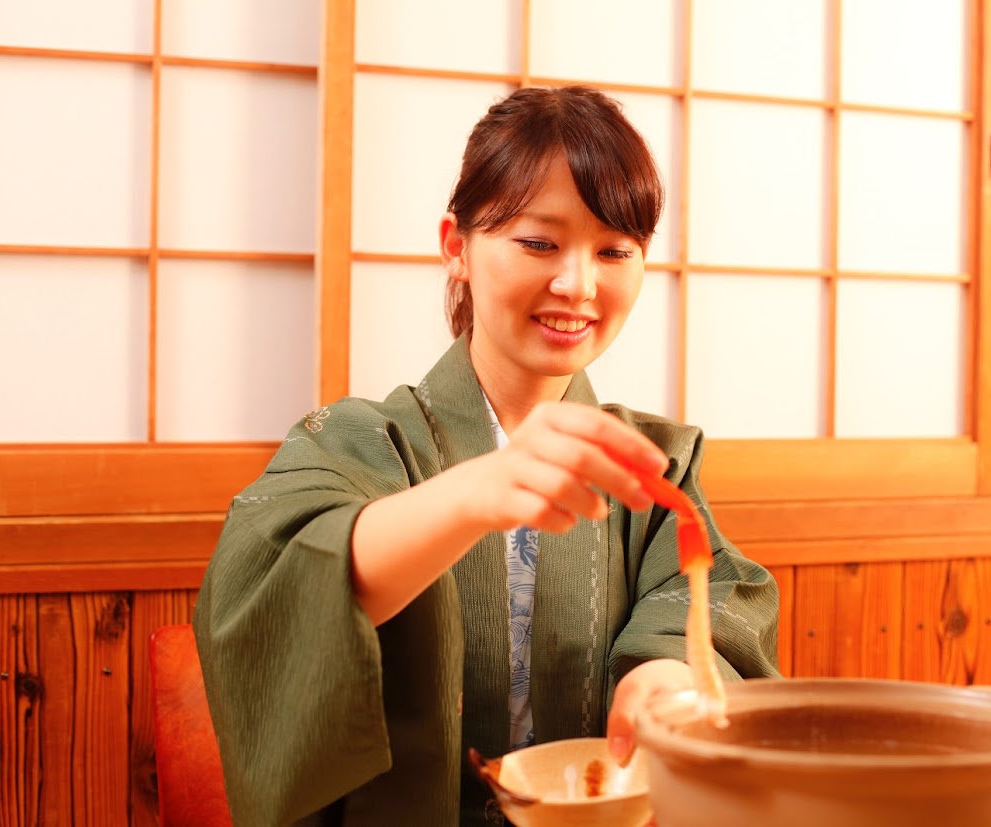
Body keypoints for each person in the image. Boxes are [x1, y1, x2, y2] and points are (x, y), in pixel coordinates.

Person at [193, 84, 780, 827]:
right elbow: (275, 582)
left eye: (614, 250)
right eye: (539, 242)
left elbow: (702, 604)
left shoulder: (654, 462)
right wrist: (477, 491)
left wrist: (663, 684)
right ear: (456, 247)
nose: (577, 283)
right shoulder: (357, 440)